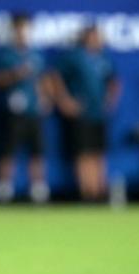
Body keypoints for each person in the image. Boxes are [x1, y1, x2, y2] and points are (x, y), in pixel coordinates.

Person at [51, 25, 120, 201]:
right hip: (81, 114)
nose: (96, 40)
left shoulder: (104, 58)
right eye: (93, 36)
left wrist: (110, 101)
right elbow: (54, 76)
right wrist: (65, 101)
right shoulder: (74, 57)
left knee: (98, 152)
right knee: (83, 153)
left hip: (99, 114)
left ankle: (100, 192)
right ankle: (87, 193)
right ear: (85, 38)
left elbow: (114, 80)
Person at [0, 13, 51, 203]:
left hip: (33, 110)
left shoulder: (36, 53)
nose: (23, 33)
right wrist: (16, 74)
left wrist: (45, 98)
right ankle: (4, 189)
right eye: (20, 29)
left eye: (26, 29)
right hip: (12, 111)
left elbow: (42, 79)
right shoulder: (5, 54)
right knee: (8, 150)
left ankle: (38, 189)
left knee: (37, 151)